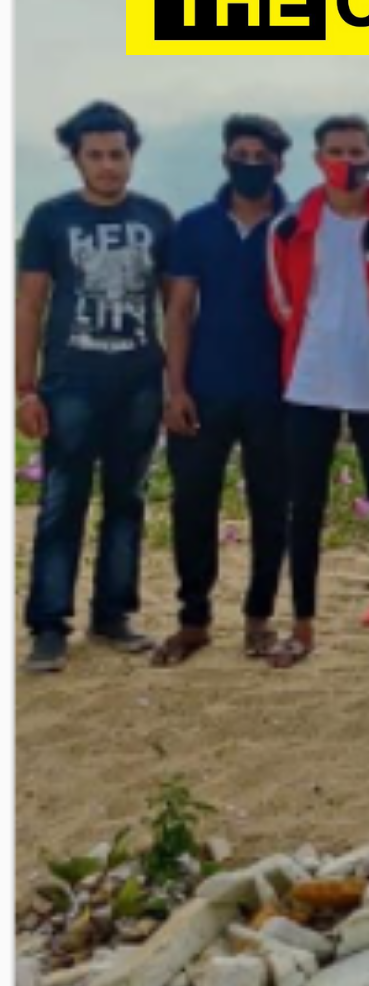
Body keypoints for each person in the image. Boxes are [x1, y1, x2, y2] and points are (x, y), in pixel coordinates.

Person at [16, 101, 173, 673]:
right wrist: (23, 389)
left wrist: (176, 383)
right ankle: (50, 626)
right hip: (71, 382)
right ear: (77, 159)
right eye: (96, 156)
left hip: (137, 379)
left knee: (127, 501)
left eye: (118, 154)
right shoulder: (50, 219)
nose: (108, 166)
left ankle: (113, 615)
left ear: (132, 155)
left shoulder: (157, 218)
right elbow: (30, 302)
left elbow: (176, 307)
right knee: (62, 503)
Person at [265, 114, 369, 670]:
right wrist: (313, 341)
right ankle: (302, 626)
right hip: (309, 382)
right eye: (335, 150)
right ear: (317, 157)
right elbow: (279, 299)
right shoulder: (289, 225)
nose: (346, 161)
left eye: (357, 150)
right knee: (304, 507)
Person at [156, 114, 292, 669]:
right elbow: (180, 310)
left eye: (263, 157)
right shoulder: (195, 226)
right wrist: (176, 388)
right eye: (242, 154)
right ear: (225, 159)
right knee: (193, 504)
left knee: (271, 506)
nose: (252, 165)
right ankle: (194, 620)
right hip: (206, 389)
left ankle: (260, 617)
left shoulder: (296, 226)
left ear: (280, 164)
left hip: (277, 391)